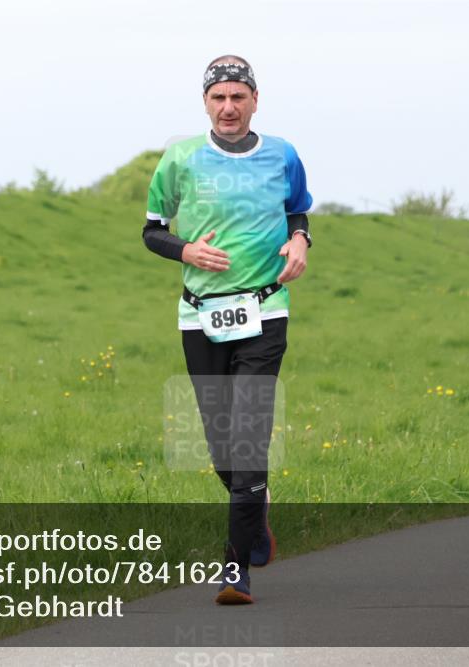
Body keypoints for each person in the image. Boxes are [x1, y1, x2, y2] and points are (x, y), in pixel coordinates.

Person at [142, 55, 313, 605]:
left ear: (255, 101)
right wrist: (185, 248)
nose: (229, 107)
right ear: (206, 103)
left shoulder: (282, 154)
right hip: (201, 315)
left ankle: (234, 569)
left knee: (249, 435)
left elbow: (297, 212)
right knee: (221, 446)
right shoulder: (180, 159)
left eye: (239, 96)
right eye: (219, 98)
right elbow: (151, 230)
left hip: (266, 310)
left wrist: (301, 240)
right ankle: (254, 506)